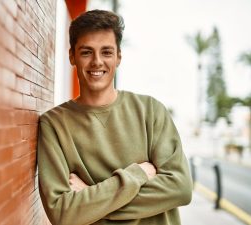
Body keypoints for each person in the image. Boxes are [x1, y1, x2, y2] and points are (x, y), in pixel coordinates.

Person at [37, 9, 192, 225]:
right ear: (72, 56)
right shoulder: (54, 124)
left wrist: (91, 199)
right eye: (86, 52)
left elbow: (180, 189)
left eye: (107, 52)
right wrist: (138, 174)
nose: (97, 62)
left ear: (118, 57)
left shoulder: (151, 111)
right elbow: (63, 213)